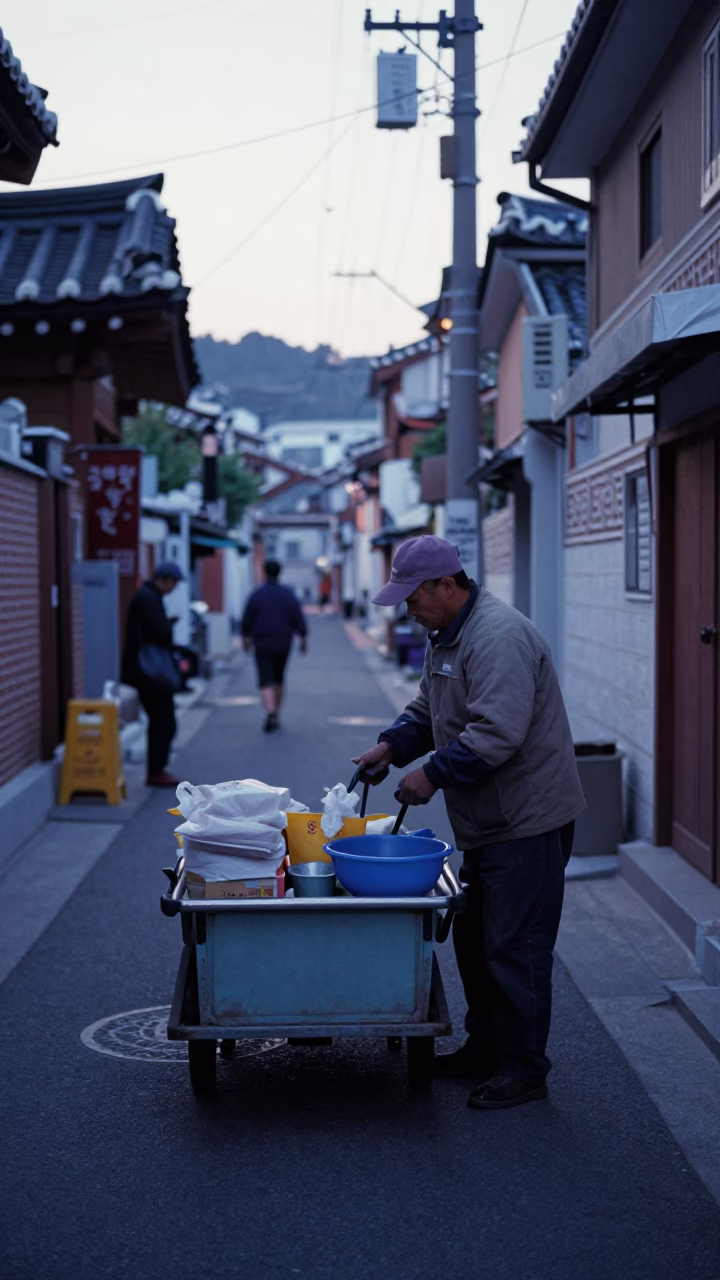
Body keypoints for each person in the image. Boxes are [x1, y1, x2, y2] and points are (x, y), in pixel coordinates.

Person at [353, 535, 585, 1111]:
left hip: (527, 819)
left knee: (515, 945)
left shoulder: (498, 637)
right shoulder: (447, 637)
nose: (407, 608)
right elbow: (430, 711)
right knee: (477, 938)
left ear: (446, 585)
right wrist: (391, 746)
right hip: (489, 820)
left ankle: (525, 1070)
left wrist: (430, 776)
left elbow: (495, 734)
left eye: (412, 596)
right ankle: (488, 1050)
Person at [122, 561, 184, 787]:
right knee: (163, 720)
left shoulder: (146, 597)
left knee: (162, 719)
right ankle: (156, 770)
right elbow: (161, 634)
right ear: (164, 579)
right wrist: (169, 624)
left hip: (144, 670)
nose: (174, 588)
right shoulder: (148, 599)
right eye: (173, 583)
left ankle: (158, 768)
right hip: (149, 672)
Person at [241, 560, 307, 732]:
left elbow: (247, 619)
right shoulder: (287, 594)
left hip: (262, 642)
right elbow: (297, 616)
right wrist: (303, 638)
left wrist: (245, 639)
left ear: (264, 572)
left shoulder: (257, 594)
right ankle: (276, 712)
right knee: (279, 677)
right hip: (283, 642)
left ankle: (269, 712)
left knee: (265, 679)